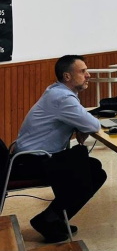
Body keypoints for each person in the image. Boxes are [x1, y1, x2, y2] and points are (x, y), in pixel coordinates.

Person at [11, 55, 107, 243]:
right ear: (67, 77)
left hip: (32, 157)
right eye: (82, 71)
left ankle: (53, 219)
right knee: (89, 172)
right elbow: (94, 125)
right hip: (31, 161)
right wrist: (82, 125)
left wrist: (80, 125)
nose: (88, 75)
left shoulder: (57, 92)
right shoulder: (62, 97)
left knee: (94, 169)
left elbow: (81, 121)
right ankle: (48, 219)